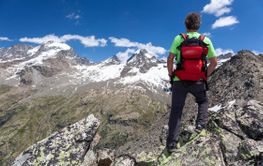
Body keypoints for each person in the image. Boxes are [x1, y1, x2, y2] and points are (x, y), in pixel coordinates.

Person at [166, 12, 218, 153]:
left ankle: (171, 145)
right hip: (198, 81)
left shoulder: (178, 38)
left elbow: (170, 59)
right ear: (198, 25)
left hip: (179, 81)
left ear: (186, 24)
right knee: (203, 101)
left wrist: (172, 75)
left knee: (176, 111)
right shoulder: (205, 40)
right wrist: (204, 76)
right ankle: (200, 126)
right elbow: (214, 62)